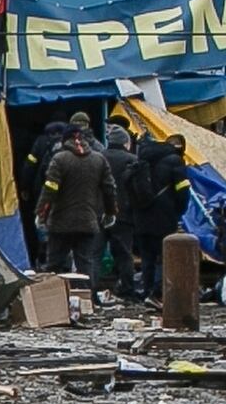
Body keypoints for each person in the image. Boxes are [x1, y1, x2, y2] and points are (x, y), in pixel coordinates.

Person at [108, 124, 188, 305]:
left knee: (147, 257)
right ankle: (158, 293)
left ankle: (146, 292)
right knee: (164, 256)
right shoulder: (175, 161)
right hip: (165, 216)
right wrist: (179, 211)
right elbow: (183, 191)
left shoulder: (140, 160)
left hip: (140, 215)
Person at [33, 121, 121, 284]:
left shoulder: (59, 159)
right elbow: (110, 189)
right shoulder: (99, 159)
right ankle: (87, 299)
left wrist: (41, 214)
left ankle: (50, 299)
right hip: (87, 222)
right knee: (85, 263)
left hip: (60, 222)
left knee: (54, 265)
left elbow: (50, 190)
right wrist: (110, 213)